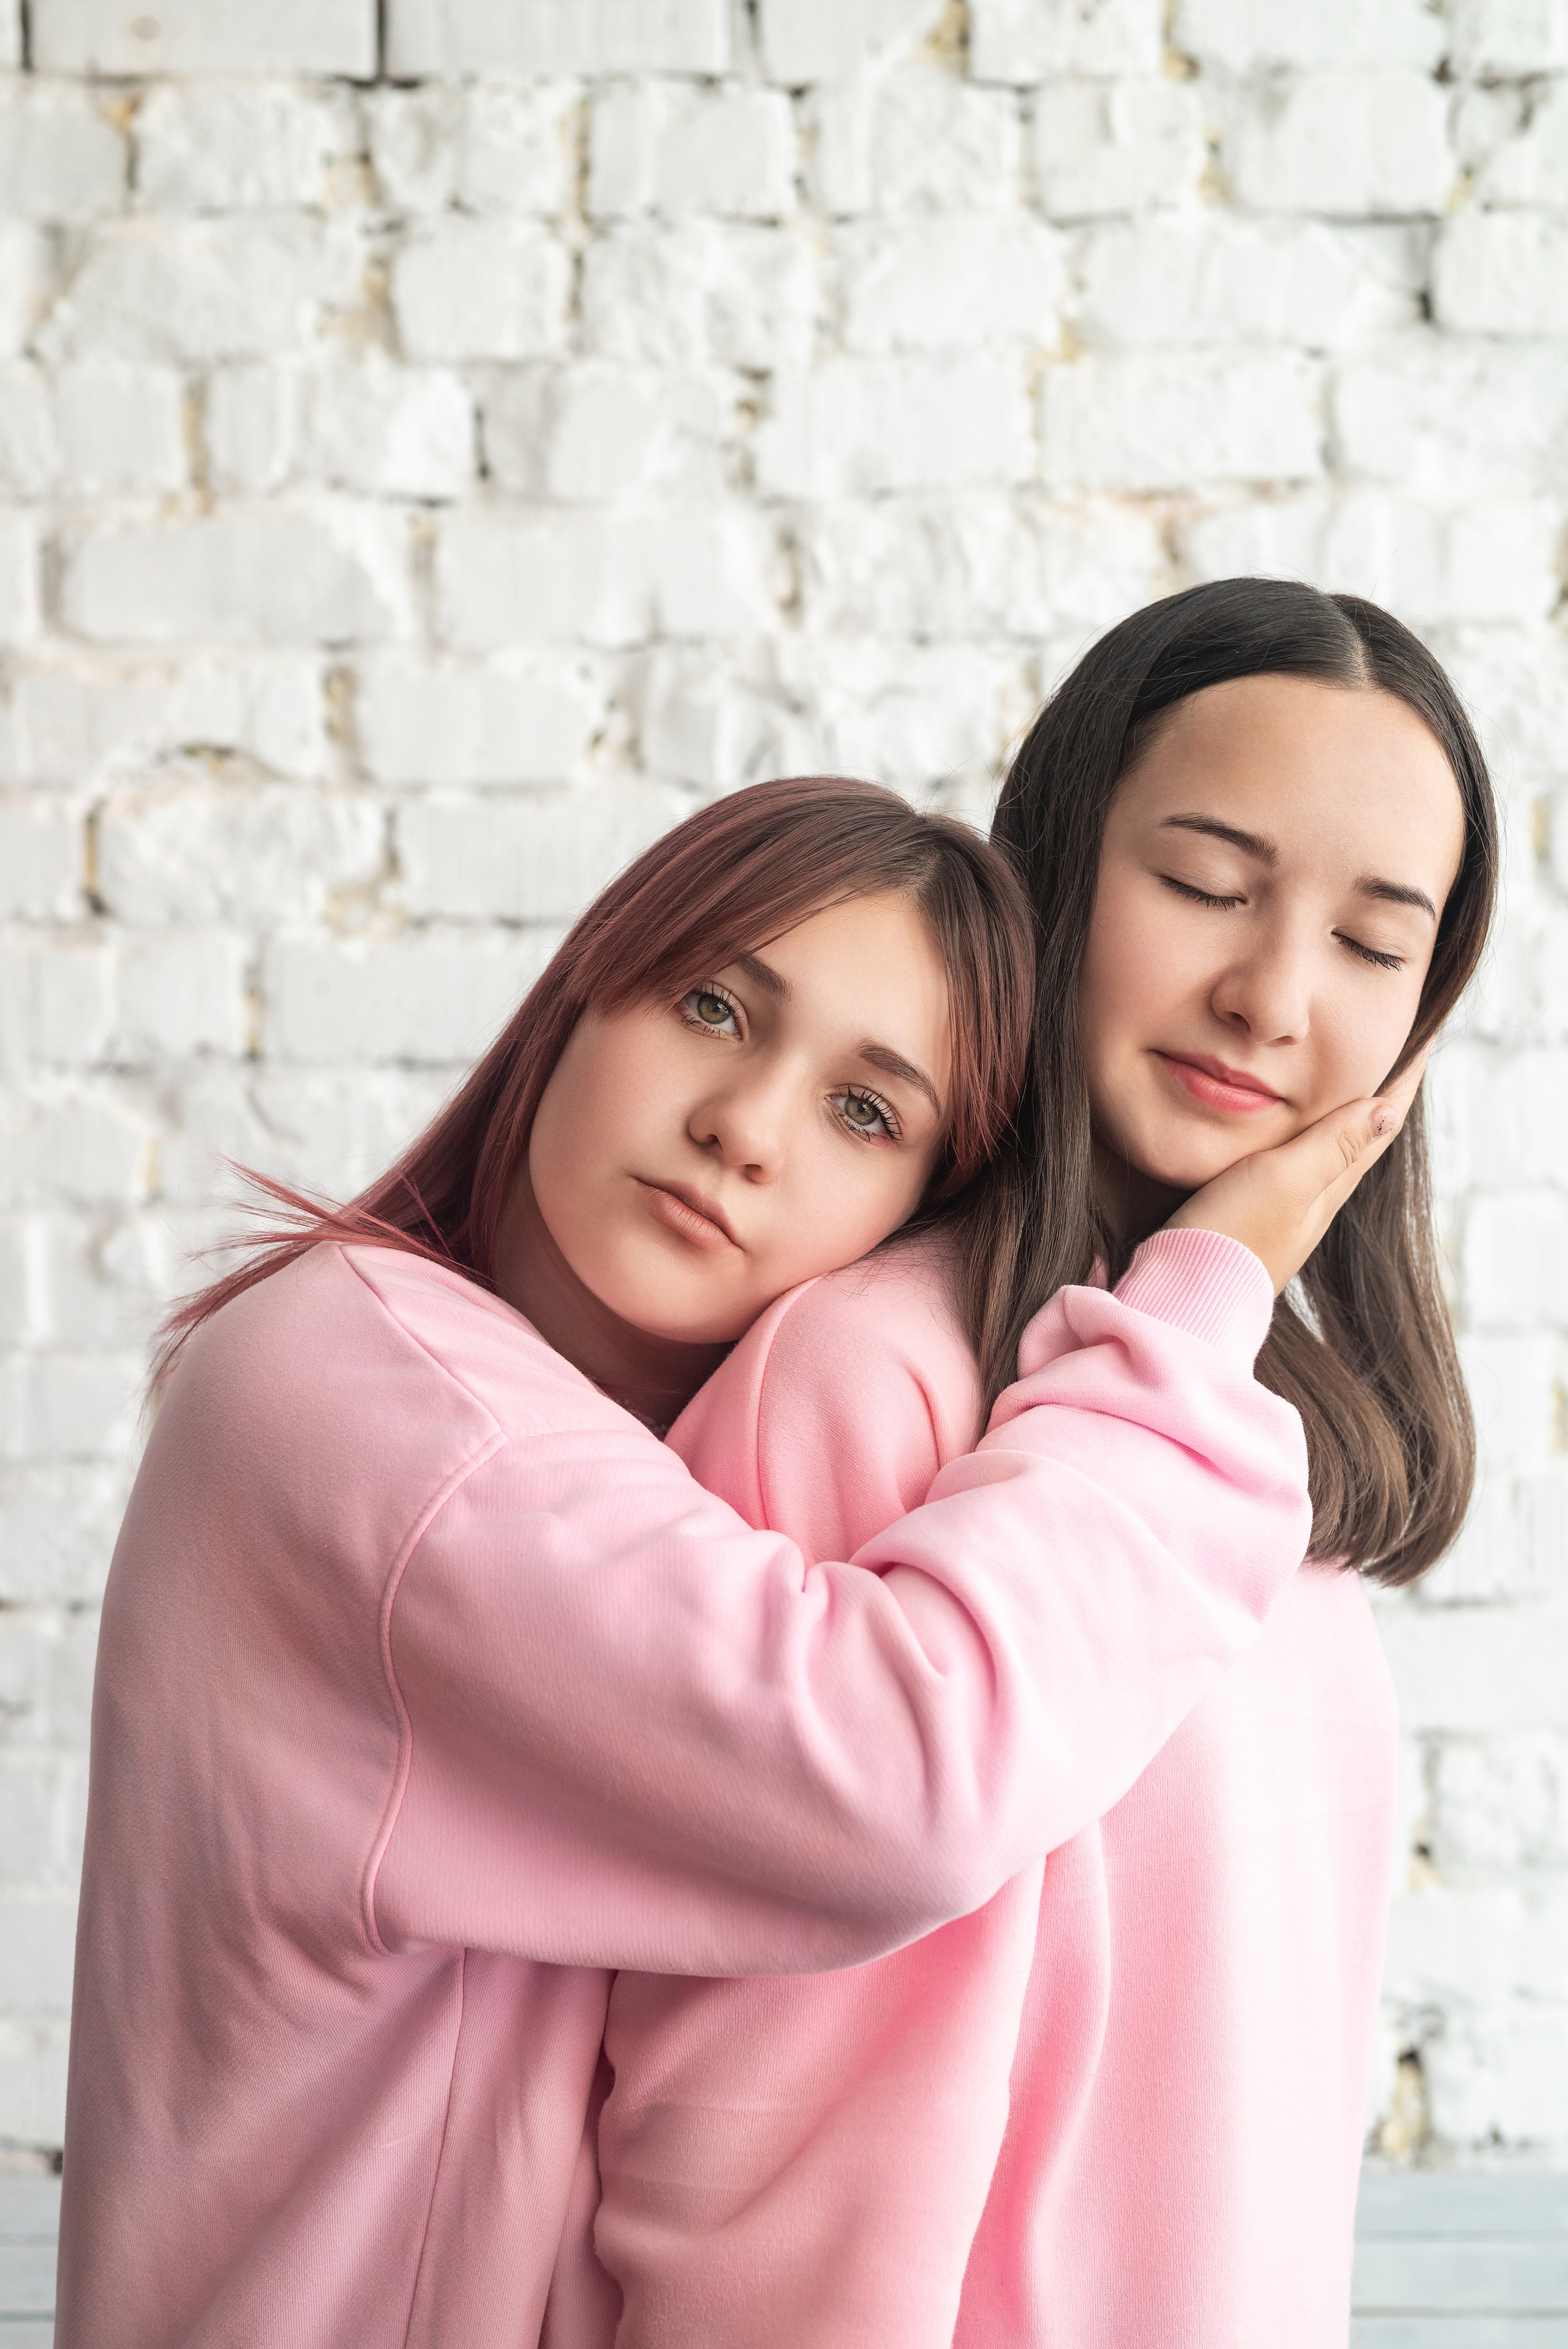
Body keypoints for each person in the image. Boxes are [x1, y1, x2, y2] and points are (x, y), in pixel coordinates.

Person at [55, 771, 1370, 2348]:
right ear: (582, 995)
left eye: (864, 1111)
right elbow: (892, 1780)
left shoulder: (582, 1428)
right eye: (712, 1008)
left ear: (910, 1212)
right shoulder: (371, 1397)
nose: (742, 1130)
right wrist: (1192, 1309)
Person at [573, 583, 1498, 2349]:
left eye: (1376, 946)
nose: (1272, 993)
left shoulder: (1246, 1427)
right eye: (1210, 887)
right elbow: (741, 2111)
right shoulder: (870, 1377)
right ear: (1059, 869)